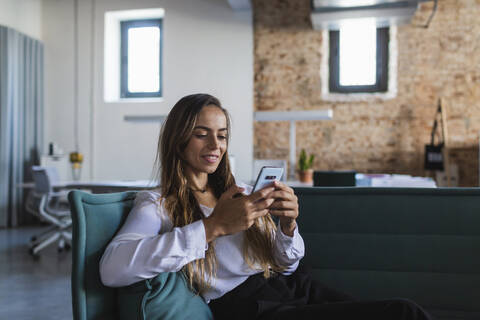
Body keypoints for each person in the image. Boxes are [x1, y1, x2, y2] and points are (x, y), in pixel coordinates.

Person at [100, 93, 433, 320]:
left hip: (289, 286)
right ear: (178, 139)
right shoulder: (159, 203)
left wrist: (288, 227)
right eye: (202, 134)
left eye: (222, 135)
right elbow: (112, 269)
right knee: (402, 313)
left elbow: (286, 266)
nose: (216, 145)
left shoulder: (240, 191)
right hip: (250, 309)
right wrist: (213, 227)